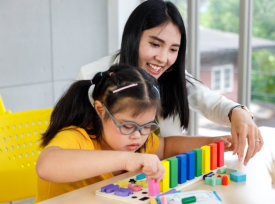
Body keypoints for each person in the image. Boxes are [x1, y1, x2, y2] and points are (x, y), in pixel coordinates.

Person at [77, 0, 263, 166]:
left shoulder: (173, 75)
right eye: (155, 44)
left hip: (165, 179)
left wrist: (238, 112)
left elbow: (212, 103)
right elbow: (76, 151)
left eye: (173, 49)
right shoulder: (94, 77)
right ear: (133, 38)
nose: (163, 59)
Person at [35, 64, 233, 202]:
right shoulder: (78, 137)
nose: (138, 136)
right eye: (127, 126)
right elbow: (46, 166)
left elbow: (166, 147)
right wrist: (125, 159)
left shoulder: (138, 139)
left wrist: (214, 141)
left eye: (147, 126)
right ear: (100, 109)